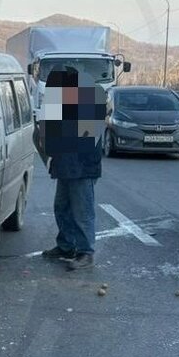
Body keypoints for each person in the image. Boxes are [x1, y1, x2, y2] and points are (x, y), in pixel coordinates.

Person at [37, 67, 106, 270]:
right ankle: (66, 246)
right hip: (65, 167)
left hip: (82, 169)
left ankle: (86, 252)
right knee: (62, 207)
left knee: (82, 211)